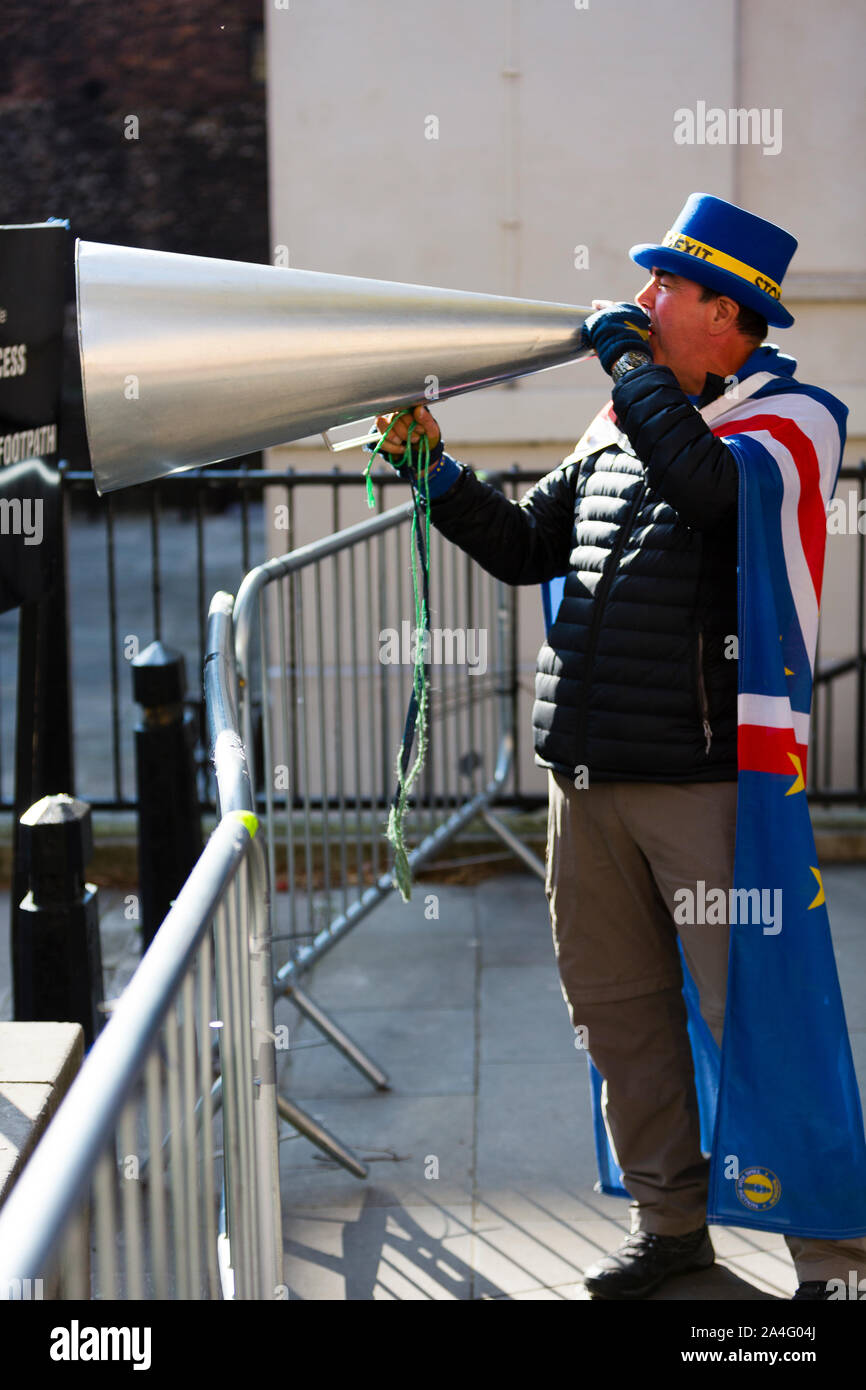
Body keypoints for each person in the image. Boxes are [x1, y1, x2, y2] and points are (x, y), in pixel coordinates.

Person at [372, 192, 866, 1300]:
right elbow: (525, 546)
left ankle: (831, 1264)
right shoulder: (621, 421)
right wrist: (435, 477)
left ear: (728, 316)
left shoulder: (794, 418)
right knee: (617, 1011)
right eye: (645, 285)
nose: (641, 302)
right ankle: (670, 1224)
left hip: (705, 791)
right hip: (583, 778)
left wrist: (628, 375)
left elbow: (705, 491)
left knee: (755, 1021)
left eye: (666, 288)